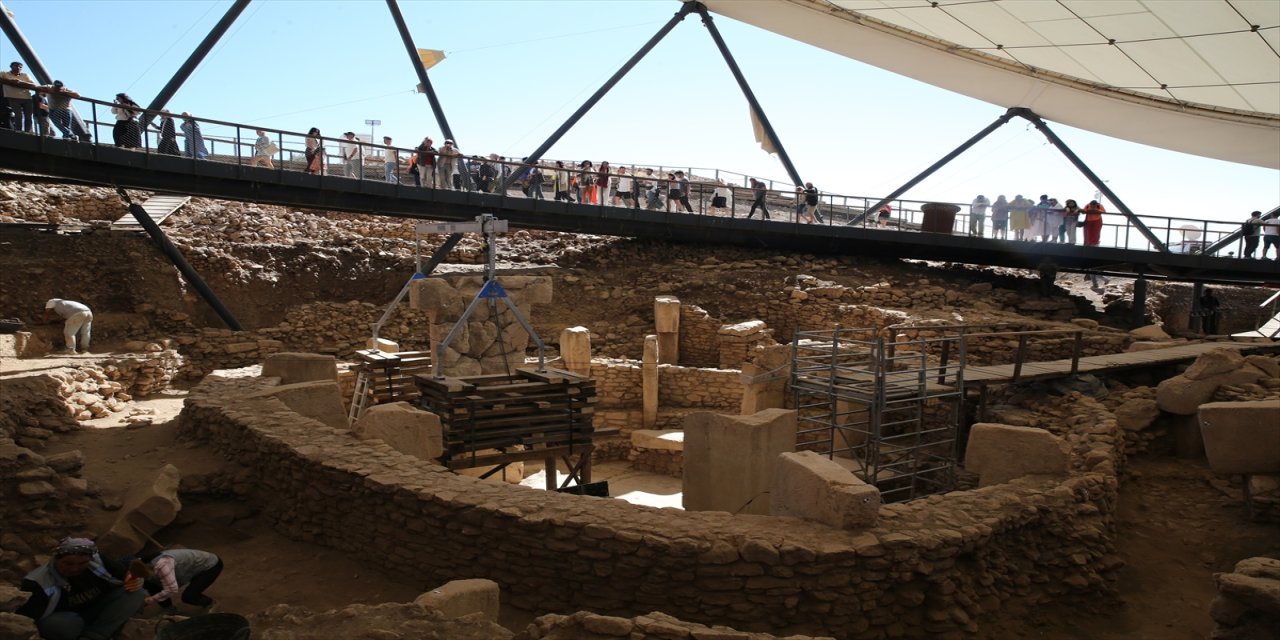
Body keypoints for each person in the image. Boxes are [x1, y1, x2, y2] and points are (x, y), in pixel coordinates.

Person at [16, 537, 146, 640]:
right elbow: (29, 620)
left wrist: (135, 578)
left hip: (95, 610)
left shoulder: (98, 562)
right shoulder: (37, 582)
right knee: (62, 624)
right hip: (66, 620)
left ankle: (95, 636)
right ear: (56, 559)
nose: (74, 568)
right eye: (68, 563)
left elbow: (125, 575)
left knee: (135, 593)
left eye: (82, 563)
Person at [143, 549, 223, 610]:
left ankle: (211, 604)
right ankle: (169, 609)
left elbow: (172, 589)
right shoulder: (143, 563)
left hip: (211, 566)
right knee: (150, 584)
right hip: (191, 567)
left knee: (189, 596)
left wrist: (149, 600)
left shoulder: (164, 565)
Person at [1, 61, 36, 132]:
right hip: (13, 98)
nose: (18, 68)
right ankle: (18, 131)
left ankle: (27, 131)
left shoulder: (25, 75)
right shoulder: (5, 74)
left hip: (27, 98)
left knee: (28, 117)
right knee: (18, 116)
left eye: (20, 67)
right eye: (16, 66)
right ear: (11, 67)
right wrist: (10, 81)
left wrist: (20, 82)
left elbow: (33, 85)